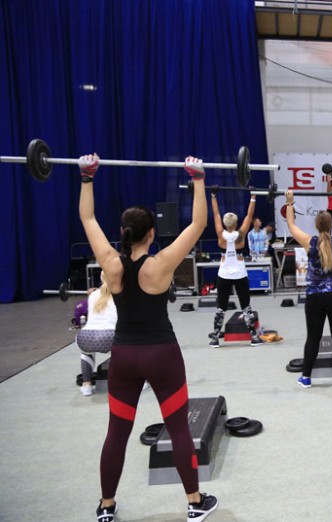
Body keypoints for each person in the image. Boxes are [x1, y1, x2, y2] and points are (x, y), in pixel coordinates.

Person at [78, 154, 217, 521]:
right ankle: (194, 502)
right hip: (162, 356)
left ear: (123, 232)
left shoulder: (111, 264)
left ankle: (106, 506)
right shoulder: (160, 264)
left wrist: (87, 177)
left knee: (116, 434)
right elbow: (199, 223)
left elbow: (88, 219)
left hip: (124, 358)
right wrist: (198, 178)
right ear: (151, 234)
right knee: (179, 429)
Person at [285, 188, 332, 388]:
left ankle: (306, 377)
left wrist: (290, 203)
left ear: (316, 226)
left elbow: (291, 225)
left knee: (313, 338)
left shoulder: (309, 242)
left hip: (314, 297)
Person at [209, 189, 262, 348]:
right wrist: (253, 197)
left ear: (225, 224)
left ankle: (215, 338)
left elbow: (216, 213)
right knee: (246, 306)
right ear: (236, 223)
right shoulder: (241, 234)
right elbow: (249, 216)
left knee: (221, 307)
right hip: (239, 274)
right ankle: (254, 337)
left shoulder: (220, 234)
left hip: (224, 275)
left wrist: (213, 196)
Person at [76, 272, 117, 397]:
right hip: (109, 337)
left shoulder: (93, 295)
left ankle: (87, 385)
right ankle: (139, 382)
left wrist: (91, 294)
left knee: (87, 352)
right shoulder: (122, 293)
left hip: (85, 336)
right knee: (132, 344)